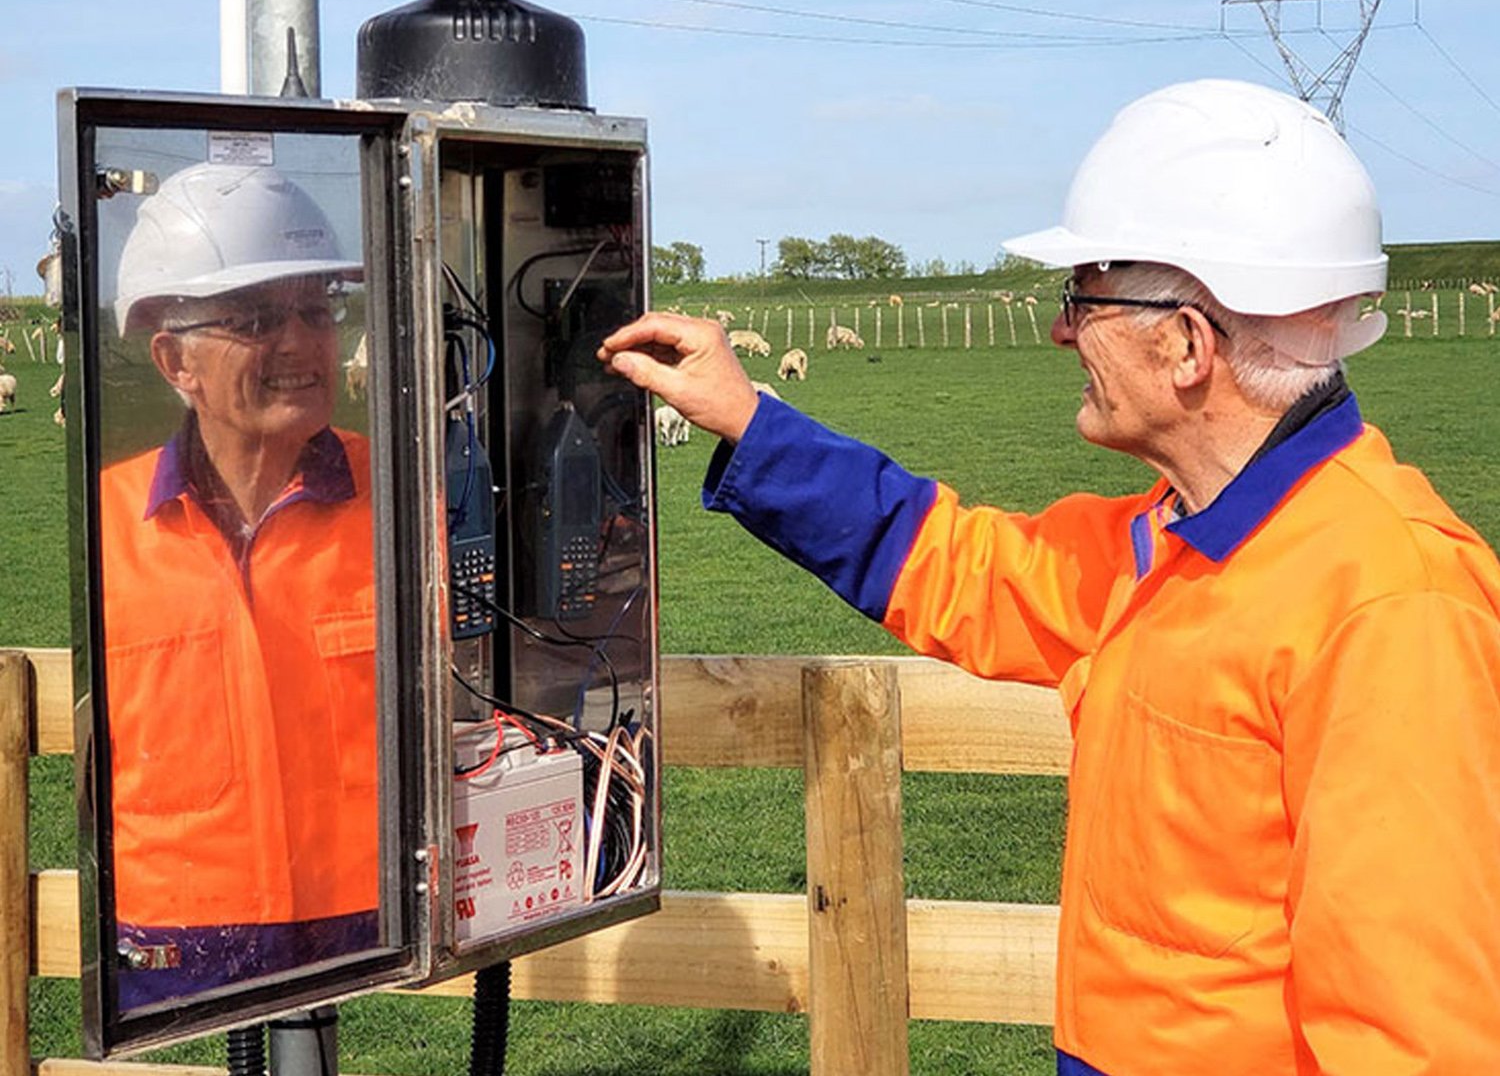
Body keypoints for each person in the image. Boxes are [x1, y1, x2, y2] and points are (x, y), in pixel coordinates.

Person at [598, 80, 1500, 1074]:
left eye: (1083, 298)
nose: (1062, 332)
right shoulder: (1170, 539)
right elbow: (959, 566)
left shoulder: (1393, 607)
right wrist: (749, 419)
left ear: (1187, 344)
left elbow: (1414, 1039)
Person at [99, 162, 379, 1010]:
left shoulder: (406, 501)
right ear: (174, 360)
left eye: (315, 310)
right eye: (256, 318)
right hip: (174, 945)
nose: (299, 342)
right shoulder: (107, 526)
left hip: (376, 933)